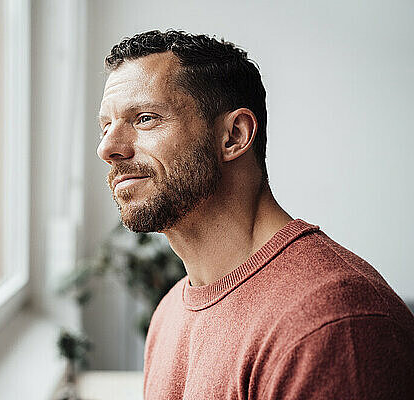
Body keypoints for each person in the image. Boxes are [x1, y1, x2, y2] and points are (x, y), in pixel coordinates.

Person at [96, 29, 414, 399]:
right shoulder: (169, 313)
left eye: (145, 118)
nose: (108, 148)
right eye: (105, 126)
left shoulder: (333, 325)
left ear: (234, 135)